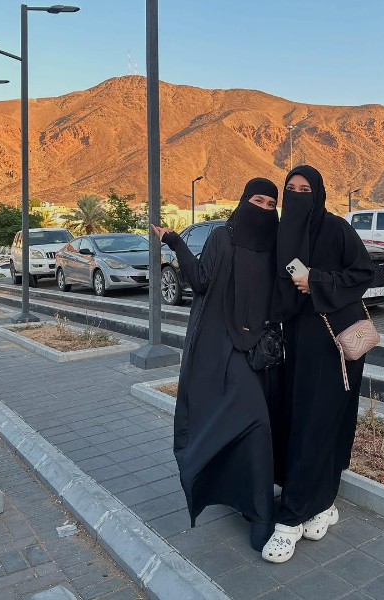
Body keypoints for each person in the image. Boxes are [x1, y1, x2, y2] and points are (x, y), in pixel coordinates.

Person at [151, 178, 282, 552]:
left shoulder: (274, 246)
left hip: (261, 349)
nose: (264, 208)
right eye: (257, 200)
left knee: (254, 424)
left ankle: (248, 500)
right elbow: (201, 280)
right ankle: (260, 515)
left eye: (271, 203)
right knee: (254, 422)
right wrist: (173, 241)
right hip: (221, 346)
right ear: (243, 201)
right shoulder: (223, 238)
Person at [262, 165, 374, 564]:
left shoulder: (336, 228)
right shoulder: (282, 233)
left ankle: (289, 521)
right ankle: (323, 503)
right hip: (295, 344)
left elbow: (364, 272)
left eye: (304, 189)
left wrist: (317, 282)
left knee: (320, 423)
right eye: (290, 189)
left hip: (332, 345)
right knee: (300, 423)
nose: (297, 195)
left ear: (319, 192)